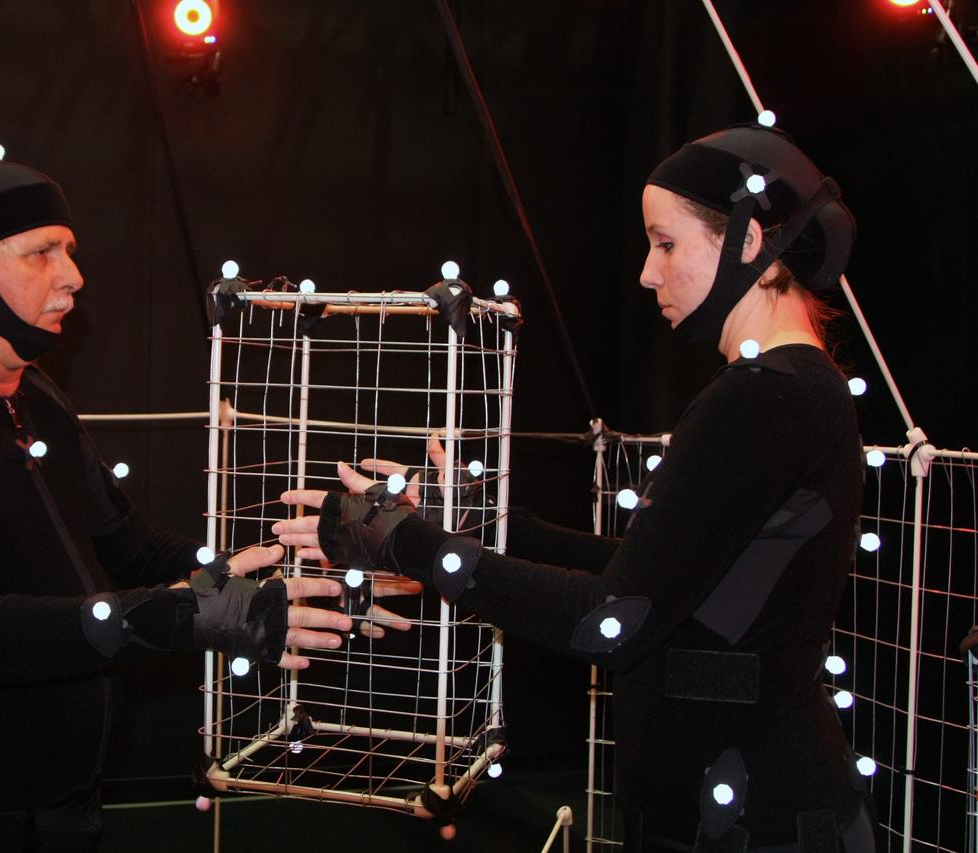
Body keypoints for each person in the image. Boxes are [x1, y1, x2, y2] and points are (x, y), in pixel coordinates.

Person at [273, 124, 877, 852]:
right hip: (752, 806)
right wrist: (481, 522)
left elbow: (611, 620)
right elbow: (658, 579)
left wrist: (404, 540)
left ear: (750, 243)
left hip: (751, 821)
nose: (648, 274)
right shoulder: (800, 388)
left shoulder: (759, 396)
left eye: (667, 243)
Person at [0, 159, 351, 852]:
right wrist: (179, 613)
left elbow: (129, 545)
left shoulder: (37, 399)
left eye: (69, 250)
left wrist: (276, 568)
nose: (72, 276)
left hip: (64, 815)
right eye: (41, 252)